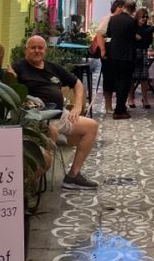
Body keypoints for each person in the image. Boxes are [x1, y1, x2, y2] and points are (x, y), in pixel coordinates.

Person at [13, 35, 99, 190]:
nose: (37, 51)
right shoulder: (19, 69)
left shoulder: (52, 67)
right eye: (33, 47)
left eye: (41, 48)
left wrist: (78, 106)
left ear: (45, 50)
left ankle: (73, 176)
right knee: (51, 133)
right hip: (36, 119)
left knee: (91, 126)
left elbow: (77, 83)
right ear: (26, 50)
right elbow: (12, 92)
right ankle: (26, 184)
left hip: (61, 116)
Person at [105, 0, 138, 119]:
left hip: (113, 54)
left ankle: (121, 107)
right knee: (125, 82)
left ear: (123, 7)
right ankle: (119, 110)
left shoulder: (113, 19)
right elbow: (134, 37)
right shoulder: (132, 21)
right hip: (127, 56)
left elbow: (109, 34)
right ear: (133, 10)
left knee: (118, 81)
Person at [95, 0, 125, 111]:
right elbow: (99, 34)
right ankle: (108, 105)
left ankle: (118, 104)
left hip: (119, 53)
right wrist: (103, 50)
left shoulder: (122, 20)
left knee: (118, 79)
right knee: (108, 78)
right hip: (109, 52)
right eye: (121, 7)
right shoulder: (108, 18)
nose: (122, 10)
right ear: (116, 7)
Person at [129, 8, 154, 108]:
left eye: (146, 17)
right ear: (137, 16)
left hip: (143, 52)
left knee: (144, 77)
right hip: (133, 53)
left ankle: (145, 99)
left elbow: (147, 42)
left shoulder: (148, 28)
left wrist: (141, 37)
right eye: (142, 17)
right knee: (132, 78)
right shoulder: (132, 27)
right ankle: (131, 98)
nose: (144, 19)